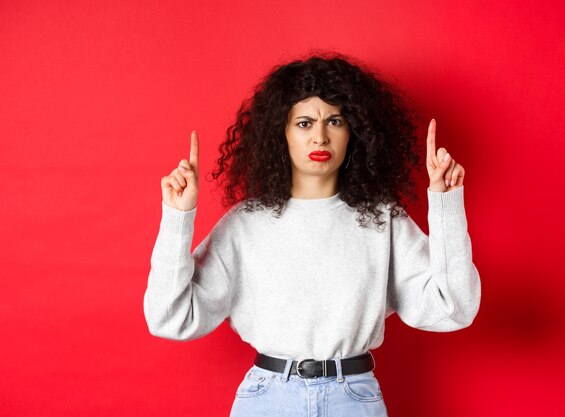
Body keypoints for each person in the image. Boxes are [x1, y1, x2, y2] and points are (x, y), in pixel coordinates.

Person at [143, 53, 481, 417]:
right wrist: (179, 218)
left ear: (354, 131)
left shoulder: (383, 220)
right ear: (281, 133)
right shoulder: (245, 224)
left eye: (334, 120)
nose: (320, 136)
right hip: (268, 399)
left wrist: (445, 205)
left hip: (354, 398)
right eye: (304, 123)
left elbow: (454, 308)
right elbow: (169, 318)